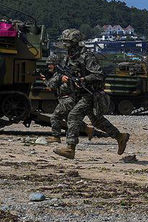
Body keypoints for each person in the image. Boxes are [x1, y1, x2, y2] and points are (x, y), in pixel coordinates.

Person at [52, 29, 131, 161]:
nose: (64, 45)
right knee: (97, 121)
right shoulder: (69, 57)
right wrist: (64, 78)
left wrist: (83, 80)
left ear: (74, 42)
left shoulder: (87, 56)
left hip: (90, 94)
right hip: (78, 93)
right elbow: (68, 73)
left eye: (67, 42)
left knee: (73, 116)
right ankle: (120, 137)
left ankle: (70, 148)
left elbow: (98, 74)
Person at [41, 54, 93, 144]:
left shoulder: (61, 74)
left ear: (56, 64)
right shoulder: (60, 74)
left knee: (55, 117)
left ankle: (56, 137)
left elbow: (51, 86)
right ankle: (87, 129)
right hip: (66, 99)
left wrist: (45, 80)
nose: (49, 66)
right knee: (70, 120)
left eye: (50, 64)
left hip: (67, 100)